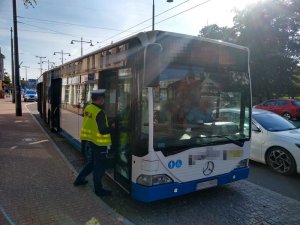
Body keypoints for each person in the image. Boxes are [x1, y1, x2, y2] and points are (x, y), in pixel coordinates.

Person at [73, 89, 114, 197]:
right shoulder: (99, 112)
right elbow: (103, 130)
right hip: (100, 144)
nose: (104, 100)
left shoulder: (88, 108)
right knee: (99, 168)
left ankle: (79, 179)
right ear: (100, 99)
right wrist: (113, 128)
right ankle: (98, 190)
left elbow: (92, 123)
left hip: (91, 141)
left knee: (91, 163)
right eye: (103, 99)